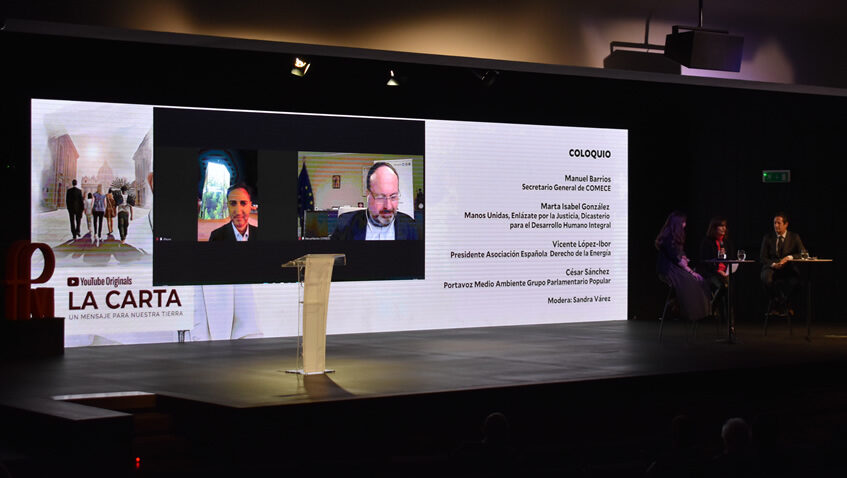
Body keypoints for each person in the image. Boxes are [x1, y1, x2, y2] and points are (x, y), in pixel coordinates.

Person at [330, 162, 418, 240]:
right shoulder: (345, 225)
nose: (388, 206)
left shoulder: (410, 226)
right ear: (368, 195)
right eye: (380, 197)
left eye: (393, 197)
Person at [655, 211, 711, 322]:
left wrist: (684, 258)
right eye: (683, 222)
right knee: (692, 280)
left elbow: (680, 253)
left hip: (674, 267)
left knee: (700, 280)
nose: (685, 225)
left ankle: (701, 311)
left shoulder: (674, 236)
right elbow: (675, 256)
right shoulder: (668, 236)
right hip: (668, 269)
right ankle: (681, 310)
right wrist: (690, 271)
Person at [759, 212, 805, 316]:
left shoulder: (794, 237)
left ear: (786, 224)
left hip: (787, 268)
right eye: (774, 223)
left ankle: (784, 303)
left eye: (779, 223)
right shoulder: (768, 237)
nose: (776, 226)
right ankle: (780, 303)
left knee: (797, 282)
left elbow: (803, 254)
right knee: (766, 279)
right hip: (772, 267)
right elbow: (762, 257)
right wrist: (774, 264)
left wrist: (789, 257)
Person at [698, 217, 733, 306]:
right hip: (711, 273)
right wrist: (717, 270)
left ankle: (728, 319)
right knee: (722, 287)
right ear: (714, 228)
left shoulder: (726, 242)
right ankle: (711, 308)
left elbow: (730, 258)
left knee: (728, 294)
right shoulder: (707, 242)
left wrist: (726, 269)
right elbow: (704, 261)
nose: (724, 228)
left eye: (725, 226)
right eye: (721, 226)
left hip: (724, 273)